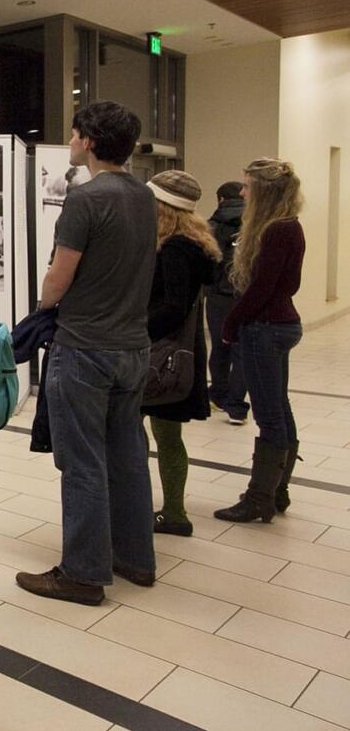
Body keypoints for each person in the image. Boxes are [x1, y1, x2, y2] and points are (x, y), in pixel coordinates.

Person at [16, 101, 157, 605]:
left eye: (74, 132)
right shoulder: (145, 197)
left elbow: (59, 277)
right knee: (128, 454)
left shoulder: (85, 199)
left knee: (82, 464)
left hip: (85, 349)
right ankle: (136, 558)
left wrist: (43, 304)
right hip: (133, 347)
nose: (70, 139)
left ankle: (82, 573)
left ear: (89, 142)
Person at [215, 158, 305, 523]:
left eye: (248, 185)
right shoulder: (288, 226)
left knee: (269, 415)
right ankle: (276, 491)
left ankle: (259, 499)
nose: (242, 191)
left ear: (264, 192)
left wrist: (231, 323)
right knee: (278, 408)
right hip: (279, 323)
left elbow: (262, 288)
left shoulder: (276, 230)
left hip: (264, 328)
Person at [141, 171, 222, 537]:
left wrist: (135, 334)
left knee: (139, 432)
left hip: (159, 355)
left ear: (163, 207)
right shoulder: (196, 243)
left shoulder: (174, 249)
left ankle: (161, 509)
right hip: (179, 355)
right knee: (169, 436)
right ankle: (173, 509)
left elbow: (172, 307)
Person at [206, 181, 250, 424]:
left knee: (220, 346)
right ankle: (237, 406)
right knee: (241, 350)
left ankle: (218, 394)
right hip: (245, 295)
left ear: (221, 199)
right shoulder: (255, 224)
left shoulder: (212, 225)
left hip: (218, 295)